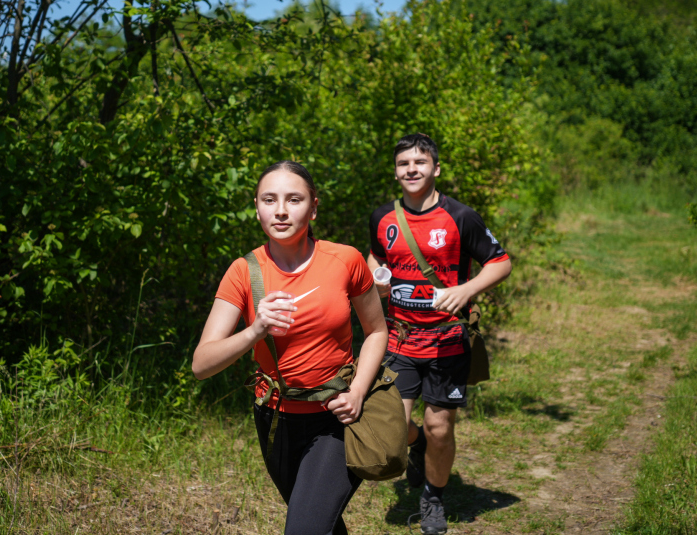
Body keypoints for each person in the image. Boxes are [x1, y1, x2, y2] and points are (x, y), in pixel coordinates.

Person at [193, 161, 389, 535]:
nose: (280, 210)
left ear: (314, 207)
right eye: (270, 199)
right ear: (257, 207)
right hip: (275, 420)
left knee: (304, 529)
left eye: (294, 199)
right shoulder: (243, 271)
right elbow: (202, 363)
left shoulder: (345, 260)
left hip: (335, 417)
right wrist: (254, 331)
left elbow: (377, 331)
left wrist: (359, 391)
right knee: (319, 523)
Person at [366, 134, 512, 534]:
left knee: (440, 428)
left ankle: (432, 497)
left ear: (436, 168)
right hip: (399, 338)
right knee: (393, 427)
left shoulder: (461, 217)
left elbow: (500, 263)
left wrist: (466, 290)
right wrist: (377, 277)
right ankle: (417, 448)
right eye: (403, 164)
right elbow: (376, 256)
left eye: (419, 162)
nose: (411, 169)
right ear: (395, 172)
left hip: (447, 342)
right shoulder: (384, 216)